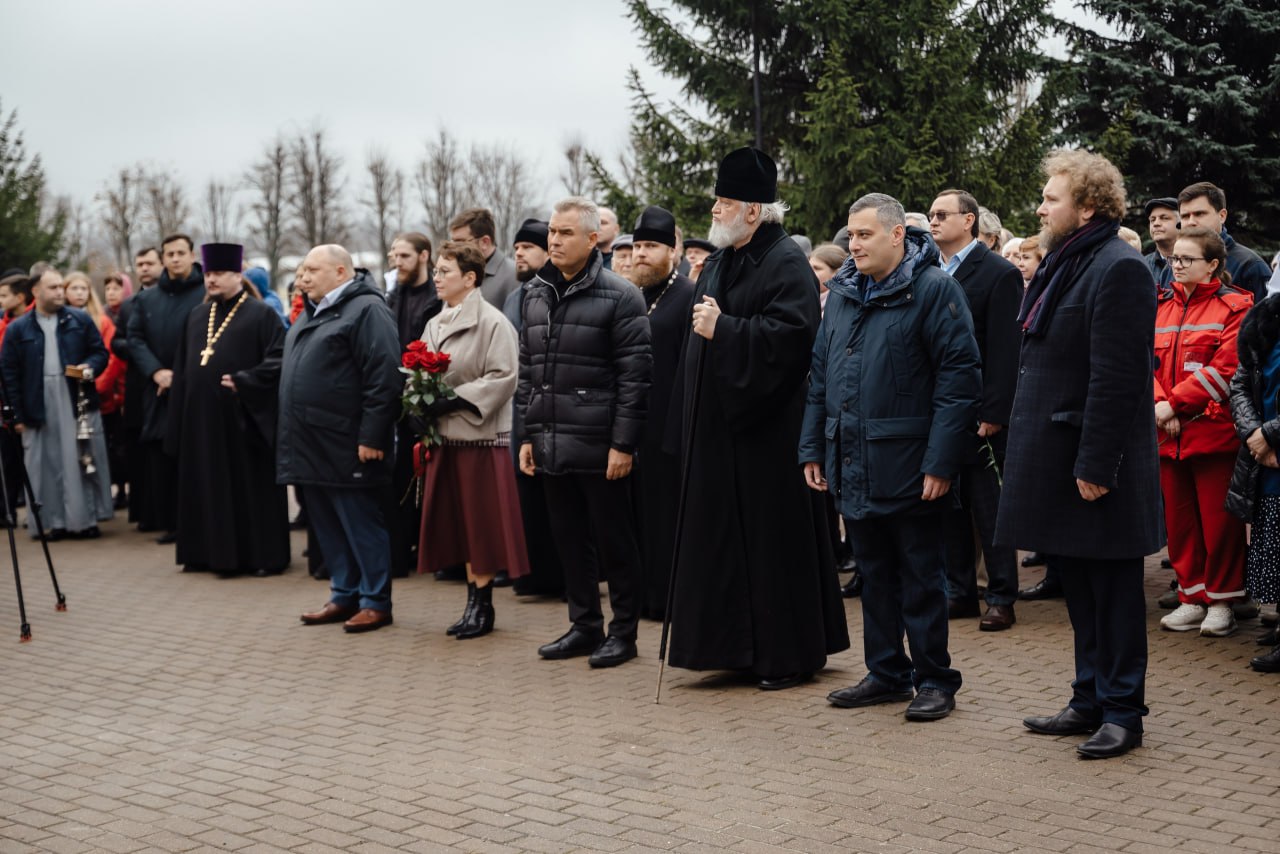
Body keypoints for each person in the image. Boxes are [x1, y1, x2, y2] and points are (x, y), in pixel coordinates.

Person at [998, 150, 1163, 760]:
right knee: (1084, 591)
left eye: (1051, 198)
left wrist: (1096, 464)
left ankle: (1124, 711)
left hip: (1096, 461)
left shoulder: (1118, 267)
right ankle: (1088, 698)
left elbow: (1119, 379)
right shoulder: (1069, 261)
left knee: (1115, 592)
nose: (1040, 207)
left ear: (1086, 207)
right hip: (1060, 453)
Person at [668, 147, 849, 690]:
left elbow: (794, 341)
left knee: (772, 546)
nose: (716, 211)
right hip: (719, 431)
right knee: (723, 539)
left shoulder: (784, 261)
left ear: (753, 209)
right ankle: (731, 647)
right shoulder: (721, 259)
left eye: (725, 202)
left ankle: (786, 654)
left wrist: (725, 330)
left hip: (767, 431)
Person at [802, 193, 979, 718]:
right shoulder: (841, 296)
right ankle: (885, 671)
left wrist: (941, 462)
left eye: (864, 235)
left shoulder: (934, 290)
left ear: (897, 234)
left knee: (921, 577)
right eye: (850, 236)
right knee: (875, 576)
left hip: (910, 465)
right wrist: (812, 446)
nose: (853, 245)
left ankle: (935, 680)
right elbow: (819, 378)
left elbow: (959, 382)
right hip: (852, 459)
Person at [516, 196, 651, 668]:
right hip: (552, 439)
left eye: (565, 232)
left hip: (601, 444)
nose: (554, 240)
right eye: (552, 231)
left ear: (593, 239)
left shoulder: (621, 295)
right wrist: (529, 436)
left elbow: (636, 378)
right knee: (570, 540)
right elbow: (528, 370)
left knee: (616, 543)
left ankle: (624, 633)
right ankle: (584, 625)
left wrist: (623, 443)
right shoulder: (535, 293)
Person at [283, 245, 402, 633]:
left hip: (348, 441)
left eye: (312, 270)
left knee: (360, 522)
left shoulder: (367, 309)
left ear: (339, 271)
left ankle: (375, 600)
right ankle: (343, 593)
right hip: (310, 442)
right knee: (328, 524)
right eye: (302, 271)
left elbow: (383, 375)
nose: (303, 277)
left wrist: (372, 434)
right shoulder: (312, 311)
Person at [418, 241, 529, 637]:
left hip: (480, 438)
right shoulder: (436, 322)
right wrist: (421, 398)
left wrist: (453, 400)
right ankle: (471, 601)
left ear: (469, 277)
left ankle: (483, 607)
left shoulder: (494, 322)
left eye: (444, 271)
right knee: (458, 524)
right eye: (435, 271)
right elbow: (423, 370)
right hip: (446, 438)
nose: (436, 278)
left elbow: (504, 377)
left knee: (480, 524)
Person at [928, 189, 1024, 631]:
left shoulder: (999, 273)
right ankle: (959, 591)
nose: (933, 221)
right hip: (941, 408)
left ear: (968, 221)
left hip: (983, 413)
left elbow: (1006, 349)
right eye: (930, 214)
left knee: (990, 507)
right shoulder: (929, 271)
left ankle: (1002, 595)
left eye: (941, 214)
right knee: (947, 504)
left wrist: (995, 410)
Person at [165, 242, 289, 577]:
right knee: (203, 483)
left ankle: (260, 557)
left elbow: (279, 361)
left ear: (238, 274)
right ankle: (203, 553)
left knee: (245, 487)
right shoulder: (196, 316)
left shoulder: (262, 314)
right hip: (201, 421)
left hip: (242, 420)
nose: (211, 280)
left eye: (219, 273)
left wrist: (246, 380)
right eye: (208, 274)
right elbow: (182, 368)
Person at [1153, 227, 1251, 636]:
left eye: (1186, 259)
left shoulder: (1236, 306)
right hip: (1167, 433)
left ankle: (1222, 601)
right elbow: (1145, 361)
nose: (1176, 265)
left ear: (1212, 264)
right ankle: (1191, 596)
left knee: (1218, 524)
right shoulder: (1159, 305)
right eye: (1174, 258)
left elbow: (1225, 368)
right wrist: (1162, 406)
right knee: (1179, 524)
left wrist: (1173, 404)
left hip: (1211, 434)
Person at [0, 265, 112, 539]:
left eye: (62, 286)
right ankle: (54, 522)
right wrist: (15, 415)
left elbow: (100, 353)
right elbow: (9, 374)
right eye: (53, 287)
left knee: (80, 458)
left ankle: (86, 520)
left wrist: (87, 368)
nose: (60, 292)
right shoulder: (18, 329)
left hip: (75, 397)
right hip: (37, 402)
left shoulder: (80, 319)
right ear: (35, 291)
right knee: (45, 465)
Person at [625, 206, 695, 620]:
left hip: (671, 429)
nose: (640, 254)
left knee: (667, 521)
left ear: (673, 251)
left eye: (651, 246)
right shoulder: (630, 294)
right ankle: (642, 597)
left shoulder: (687, 295)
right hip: (633, 428)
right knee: (637, 520)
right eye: (636, 247)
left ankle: (668, 600)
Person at [126, 234, 206, 542]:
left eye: (180, 253)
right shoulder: (147, 299)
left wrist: (181, 375)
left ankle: (197, 522)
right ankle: (172, 523)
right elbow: (135, 339)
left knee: (195, 454)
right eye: (169, 253)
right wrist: (157, 372)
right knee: (162, 456)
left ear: (191, 255)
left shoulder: (204, 293)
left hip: (194, 387)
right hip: (157, 390)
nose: (175, 258)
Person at [502, 219, 566, 598]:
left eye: (527, 247)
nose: (520, 254)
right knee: (527, 498)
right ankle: (532, 575)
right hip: (522, 405)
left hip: (552, 409)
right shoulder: (517, 294)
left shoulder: (552, 290)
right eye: (517, 249)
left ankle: (559, 578)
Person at [1226, 290, 1280, 670]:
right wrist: (1253, 434)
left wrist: (1271, 434)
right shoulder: (1267, 317)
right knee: (1274, 546)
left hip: (1272, 443)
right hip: (1265, 457)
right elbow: (1241, 381)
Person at [385, 232, 443, 580]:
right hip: (396, 400)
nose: (397, 262)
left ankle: (429, 549)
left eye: (404, 256)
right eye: (394, 256)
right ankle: (402, 547)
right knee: (400, 479)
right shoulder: (391, 298)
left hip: (425, 399)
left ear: (424, 256)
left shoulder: (436, 299)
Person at [808, 242, 860, 591]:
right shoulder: (830, 305)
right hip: (832, 423)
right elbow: (819, 378)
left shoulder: (844, 302)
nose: (811, 276)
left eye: (818, 269)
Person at [65, 272, 128, 510]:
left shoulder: (101, 321)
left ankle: (109, 497)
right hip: (72, 396)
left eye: (84, 289)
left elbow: (110, 357)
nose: (79, 293)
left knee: (106, 448)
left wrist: (98, 384)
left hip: (101, 395)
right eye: (74, 288)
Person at [113, 247, 160, 521]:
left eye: (149, 263)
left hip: (162, 382)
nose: (144, 268)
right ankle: (143, 511)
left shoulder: (170, 299)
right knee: (138, 448)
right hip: (136, 384)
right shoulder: (129, 305)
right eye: (140, 264)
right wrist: (138, 347)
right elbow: (117, 341)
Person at [1177, 182, 1272, 301]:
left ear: (1222, 216)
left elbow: (1267, 316)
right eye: (1185, 216)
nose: (1191, 222)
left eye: (1199, 214)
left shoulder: (1250, 266)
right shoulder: (1172, 266)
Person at [449, 208, 519, 310]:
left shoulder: (513, 276)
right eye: (453, 242)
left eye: (460, 242)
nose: (454, 248)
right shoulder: (455, 273)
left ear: (485, 242)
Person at [1142, 197, 1179, 289]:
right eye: (1152, 220)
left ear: (1181, 223)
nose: (1156, 223)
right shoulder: (1142, 265)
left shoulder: (1195, 263)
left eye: (1164, 218)